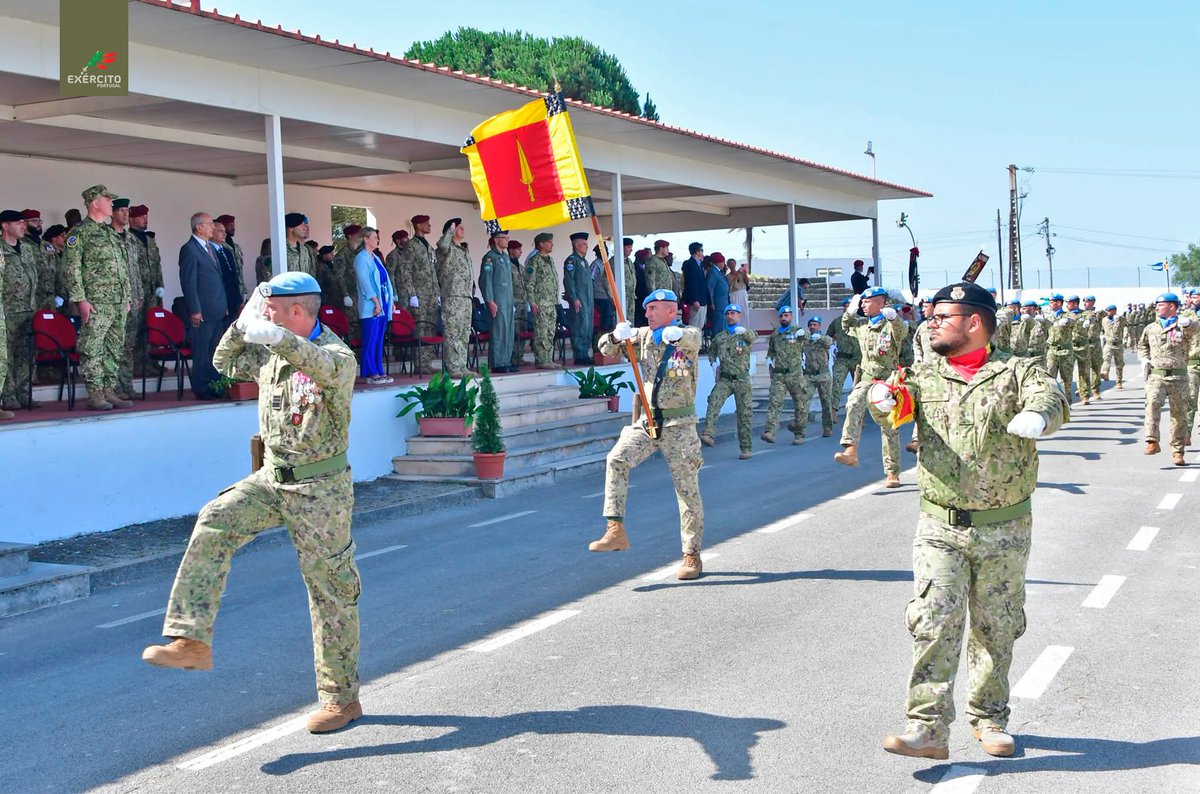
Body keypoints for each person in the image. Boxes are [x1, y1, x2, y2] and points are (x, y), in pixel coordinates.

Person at [142, 272, 362, 733]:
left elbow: (320, 366)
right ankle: (191, 640)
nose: (267, 314)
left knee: (330, 593)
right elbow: (224, 362)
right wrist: (242, 326)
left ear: (297, 313)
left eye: (274, 309)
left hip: (320, 491)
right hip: (271, 478)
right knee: (214, 519)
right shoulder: (267, 349)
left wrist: (279, 337)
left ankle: (341, 700)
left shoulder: (337, 356)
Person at [875, 281, 1067, 761]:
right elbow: (896, 414)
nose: (932, 322)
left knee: (996, 625)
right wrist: (883, 403)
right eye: (932, 315)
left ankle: (990, 718)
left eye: (943, 315)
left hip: (1004, 527)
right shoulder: (922, 375)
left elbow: (1052, 397)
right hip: (940, 525)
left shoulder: (1018, 371)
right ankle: (927, 728)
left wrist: (1039, 418)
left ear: (974, 321)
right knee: (932, 619)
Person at [589, 289, 706, 580]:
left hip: (680, 427)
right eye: (648, 308)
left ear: (671, 311)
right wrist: (616, 336)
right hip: (648, 422)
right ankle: (615, 529)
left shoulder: (686, 335)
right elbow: (604, 348)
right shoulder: (641, 336)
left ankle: (691, 555)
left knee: (686, 492)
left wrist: (675, 335)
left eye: (655, 308)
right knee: (616, 459)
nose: (649, 313)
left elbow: (694, 339)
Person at [63, 185, 132, 412]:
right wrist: (80, 300)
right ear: (94, 203)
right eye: (108, 200)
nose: (112, 203)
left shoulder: (110, 232)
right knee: (93, 348)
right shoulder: (79, 233)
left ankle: (109, 391)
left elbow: (122, 268)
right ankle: (95, 394)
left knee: (114, 348)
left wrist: (127, 297)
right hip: (96, 302)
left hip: (117, 302)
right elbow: (71, 268)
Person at [834, 286, 908, 488]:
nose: (863, 306)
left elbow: (902, 332)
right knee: (853, 401)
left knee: (889, 426)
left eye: (867, 302)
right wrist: (850, 310)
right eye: (863, 302)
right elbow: (846, 326)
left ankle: (892, 472)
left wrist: (894, 319)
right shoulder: (863, 326)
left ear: (880, 302)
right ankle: (851, 449)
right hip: (867, 378)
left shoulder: (890, 325)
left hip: (888, 381)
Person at [1139, 292, 1196, 466]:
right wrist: (1144, 358)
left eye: (1161, 304)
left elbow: (1196, 331)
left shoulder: (1184, 325)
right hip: (1156, 375)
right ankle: (1152, 441)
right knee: (1152, 403)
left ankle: (1178, 451)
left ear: (1172, 306)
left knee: (1179, 415)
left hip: (1179, 376)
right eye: (1157, 304)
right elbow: (1142, 345)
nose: (1157, 307)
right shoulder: (1151, 327)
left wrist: (1190, 324)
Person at [178, 212, 229, 400]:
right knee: (201, 349)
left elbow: (217, 279)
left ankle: (214, 384)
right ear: (198, 227)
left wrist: (223, 304)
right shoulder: (190, 249)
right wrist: (195, 309)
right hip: (202, 310)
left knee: (214, 349)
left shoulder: (211, 248)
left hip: (217, 307)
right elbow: (188, 283)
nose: (212, 228)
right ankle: (200, 387)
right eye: (209, 224)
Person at [699, 303, 755, 458]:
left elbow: (752, 338)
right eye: (728, 313)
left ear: (739, 316)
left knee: (744, 415)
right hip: (725, 379)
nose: (730, 316)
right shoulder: (720, 337)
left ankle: (746, 448)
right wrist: (714, 364)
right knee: (714, 400)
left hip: (742, 380)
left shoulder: (746, 334)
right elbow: (711, 353)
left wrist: (744, 333)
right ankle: (708, 433)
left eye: (733, 313)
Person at [0, 210, 40, 410]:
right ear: (5, 226)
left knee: (27, 354)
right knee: (7, 355)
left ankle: (24, 393)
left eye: (24, 223)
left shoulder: (27, 249)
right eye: (18, 223)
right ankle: (8, 396)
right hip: (7, 312)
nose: (23, 226)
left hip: (28, 310)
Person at [109, 198, 146, 403]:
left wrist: (139, 293)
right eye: (121, 210)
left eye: (126, 211)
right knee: (114, 346)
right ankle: (113, 388)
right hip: (114, 301)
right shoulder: (107, 237)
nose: (124, 214)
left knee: (129, 346)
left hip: (132, 300)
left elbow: (136, 270)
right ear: (112, 213)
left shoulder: (131, 239)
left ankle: (126, 384)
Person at [761, 305, 811, 445]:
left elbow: (807, 337)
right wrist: (769, 362)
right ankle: (769, 431)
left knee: (801, 404)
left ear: (791, 317)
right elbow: (771, 351)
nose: (784, 318)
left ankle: (799, 433)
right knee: (774, 402)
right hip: (779, 376)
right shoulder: (776, 334)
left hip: (795, 374)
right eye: (782, 316)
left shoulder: (797, 332)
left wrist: (804, 332)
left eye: (786, 315)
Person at [396, 215, 439, 375]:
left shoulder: (428, 246)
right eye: (426, 223)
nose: (429, 225)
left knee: (430, 328)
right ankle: (420, 364)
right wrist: (411, 294)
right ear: (418, 225)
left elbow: (433, 271)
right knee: (420, 328)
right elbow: (405, 271)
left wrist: (438, 292)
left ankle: (427, 363)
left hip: (431, 294)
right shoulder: (411, 246)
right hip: (419, 295)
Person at [353, 227, 394, 384]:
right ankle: (370, 372)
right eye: (375, 237)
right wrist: (376, 303)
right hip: (371, 305)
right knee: (370, 339)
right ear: (366, 239)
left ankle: (379, 369)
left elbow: (385, 280)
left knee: (378, 339)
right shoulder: (361, 258)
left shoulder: (375, 257)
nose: (377, 240)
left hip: (382, 303)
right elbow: (365, 284)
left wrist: (390, 302)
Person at [436, 218, 475, 378]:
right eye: (458, 228)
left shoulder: (462, 250)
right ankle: (453, 368)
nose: (462, 229)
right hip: (452, 296)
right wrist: (450, 230)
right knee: (452, 333)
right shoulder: (446, 248)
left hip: (465, 297)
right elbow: (442, 245)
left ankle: (462, 366)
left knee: (464, 333)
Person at [479, 230, 515, 373]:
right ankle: (498, 362)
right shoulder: (489, 258)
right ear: (496, 240)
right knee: (499, 332)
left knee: (508, 331)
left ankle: (506, 360)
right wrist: (489, 300)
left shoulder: (505, 257)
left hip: (508, 301)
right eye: (504, 238)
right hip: (497, 301)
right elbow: (485, 281)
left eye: (507, 237)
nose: (507, 240)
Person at [525, 233, 561, 369]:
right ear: (541, 244)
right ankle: (541, 359)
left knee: (550, 331)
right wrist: (532, 302)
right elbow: (529, 283)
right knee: (541, 332)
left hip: (551, 302)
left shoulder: (550, 260)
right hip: (540, 303)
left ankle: (548, 358)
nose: (552, 244)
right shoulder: (534, 261)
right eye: (549, 242)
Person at [563, 231, 594, 365]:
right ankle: (580, 355)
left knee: (587, 327)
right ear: (576, 246)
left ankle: (585, 353)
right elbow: (568, 281)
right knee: (579, 327)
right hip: (579, 300)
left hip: (588, 300)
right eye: (584, 244)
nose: (586, 247)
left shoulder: (584, 261)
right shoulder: (572, 261)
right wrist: (573, 298)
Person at [802, 315, 836, 438]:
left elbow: (829, 342)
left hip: (823, 375)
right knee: (803, 402)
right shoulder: (806, 340)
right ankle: (800, 430)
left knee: (826, 403)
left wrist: (820, 337)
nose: (812, 327)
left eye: (815, 324)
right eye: (810, 325)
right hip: (809, 375)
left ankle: (827, 427)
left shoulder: (824, 339)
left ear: (819, 326)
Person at [212, 218, 247, 330]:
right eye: (220, 231)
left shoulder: (226, 251)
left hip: (232, 299)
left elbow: (235, 275)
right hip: (219, 301)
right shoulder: (209, 252)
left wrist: (239, 299)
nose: (225, 233)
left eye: (224, 230)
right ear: (211, 232)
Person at [829, 296, 861, 416]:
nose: (848, 308)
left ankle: (857, 414)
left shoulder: (861, 322)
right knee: (837, 384)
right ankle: (833, 411)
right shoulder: (837, 322)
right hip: (842, 358)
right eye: (846, 306)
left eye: (850, 306)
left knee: (858, 388)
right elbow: (829, 336)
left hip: (858, 359)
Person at [1044, 293, 1077, 403]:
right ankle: (1050, 402)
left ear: (1059, 303)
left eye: (1052, 302)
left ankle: (1067, 402)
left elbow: (1074, 321)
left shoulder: (1068, 315)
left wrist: (1067, 321)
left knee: (1066, 379)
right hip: (1052, 350)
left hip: (1065, 351)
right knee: (1049, 377)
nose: (1050, 304)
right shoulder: (1047, 316)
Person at [1065, 295, 1094, 404]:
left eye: (1069, 303)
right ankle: (1068, 397)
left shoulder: (1084, 313)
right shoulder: (1065, 315)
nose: (1067, 305)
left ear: (1075, 304)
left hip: (1082, 346)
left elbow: (1091, 316)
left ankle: (1085, 395)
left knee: (1084, 371)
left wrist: (1088, 321)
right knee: (1068, 372)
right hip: (1069, 345)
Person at [681, 242, 707, 329]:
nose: (702, 253)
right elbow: (692, 283)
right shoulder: (690, 264)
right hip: (696, 301)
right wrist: (695, 300)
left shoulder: (699, 264)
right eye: (701, 250)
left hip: (702, 300)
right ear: (697, 251)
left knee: (700, 325)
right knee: (694, 325)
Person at [1100, 304, 1126, 389]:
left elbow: (1124, 321)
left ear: (1114, 310)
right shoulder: (1104, 320)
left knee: (1119, 364)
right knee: (1106, 359)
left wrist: (1117, 318)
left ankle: (1119, 381)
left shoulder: (1119, 319)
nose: (1108, 312)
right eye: (1107, 311)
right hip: (1108, 343)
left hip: (1118, 344)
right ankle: (1105, 373)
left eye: (1109, 310)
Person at [706, 253, 730, 332]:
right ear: (719, 262)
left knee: (723, 324)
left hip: (723, 303)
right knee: (718, 325)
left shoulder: (719, 272)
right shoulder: (713, 272)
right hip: (718, 304)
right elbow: (710, 288)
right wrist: (712, 303)